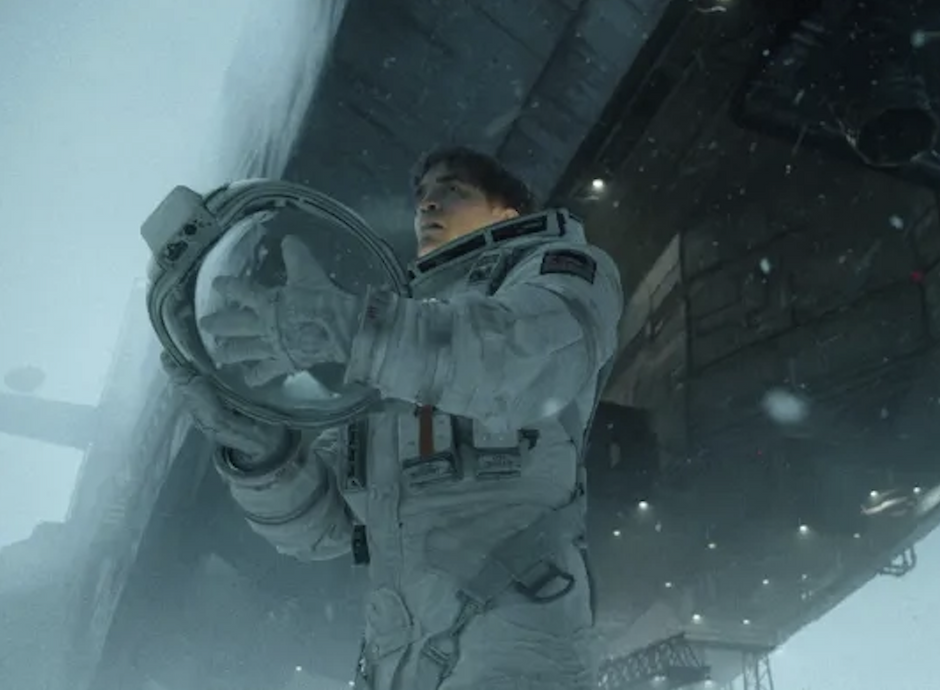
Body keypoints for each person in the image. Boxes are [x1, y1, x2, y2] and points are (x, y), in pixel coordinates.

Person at [160, 146, 623, 690]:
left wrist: (356, 329)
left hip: (519, 650)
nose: (428, 203)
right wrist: (260, 453)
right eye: (422, 194)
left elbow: (515, 359)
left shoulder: (561, 269)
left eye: (453, 189)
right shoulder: (395, 349)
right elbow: (327, 526)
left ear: (506, 213)